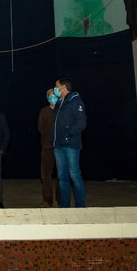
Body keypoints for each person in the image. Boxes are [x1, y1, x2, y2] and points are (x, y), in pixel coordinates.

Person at [52, 77, 87, 208]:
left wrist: (68, 135)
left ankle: (80, 207)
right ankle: (64, 207)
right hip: (58, 145)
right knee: (62, 177)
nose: (55, 89)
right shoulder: (59, 103)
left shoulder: (75, 101)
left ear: (63, 87)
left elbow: (81, 123)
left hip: (71, 145)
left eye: (57, 87)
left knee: (74, 175)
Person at [38, 88, 60, 208]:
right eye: (50, 96)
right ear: (47, 98)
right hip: (47, 147)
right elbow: (40, 128)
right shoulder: (44, 111)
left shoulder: (62, 110)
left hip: (61, 147)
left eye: (54, 96)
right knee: (46, 174)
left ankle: (61, 199)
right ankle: (47, 199)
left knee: (61, 174)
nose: (52, 98)